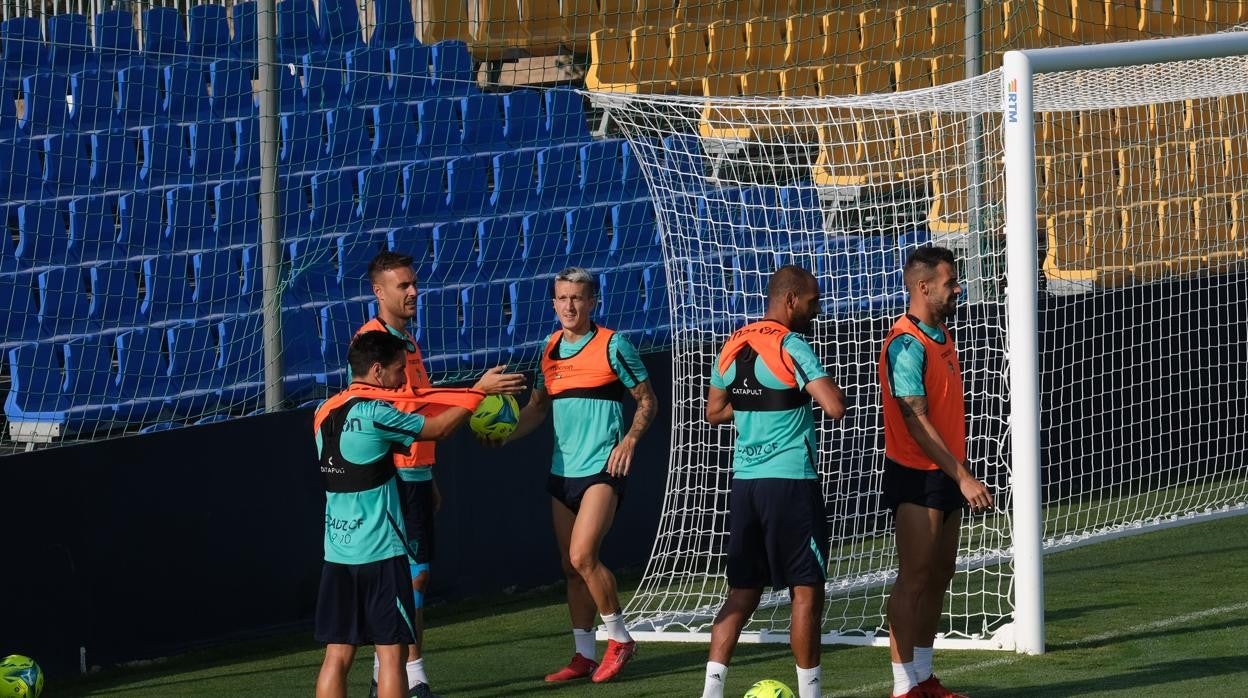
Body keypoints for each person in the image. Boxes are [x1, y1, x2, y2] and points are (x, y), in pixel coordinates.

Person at [358, 250, 525, 698]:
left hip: (414, 471)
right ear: (379, 292)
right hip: (390, 475)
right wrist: (475, 393)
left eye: (414, 284)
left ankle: (385, 671)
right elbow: (400, 410)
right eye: (403, 286)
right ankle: (411, 678)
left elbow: (420, 399)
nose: (413, 292)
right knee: (407, 577)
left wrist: (428, 471)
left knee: (416, 575)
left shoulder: (408, 343)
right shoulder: (373, 345)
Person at [313, 331, 499, 698]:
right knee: (392, 653)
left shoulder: (323, 412)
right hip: (380, 553)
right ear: (378, 371)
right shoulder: (376, 414)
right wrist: (479, 392)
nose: (403, 382)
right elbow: (439, 429)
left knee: (337, 654)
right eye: (399, 372)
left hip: (337, 554)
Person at [499, 267, 658, 684]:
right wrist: (503, 438)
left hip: (603, 469)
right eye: (562, 298)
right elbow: (536, 409)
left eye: (578, 298)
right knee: (571, 571)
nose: (569, 306)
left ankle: (620, 639)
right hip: (561, 473)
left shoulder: (614, 345)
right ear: (553, 303)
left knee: (582, 556)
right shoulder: (549, 349)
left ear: (592, 302)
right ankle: (584, 655)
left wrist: (629, 441)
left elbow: (647, 401)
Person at [699, 265, 847, 698]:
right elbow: (835, 406)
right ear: (790, 300)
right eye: (813, 301)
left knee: (742, 593)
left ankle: (711, 692)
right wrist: (804, 395)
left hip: (746, 485)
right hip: (791, 482)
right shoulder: (792, 344)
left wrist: (758, 409)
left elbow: (715, 412)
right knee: (806, 592)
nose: (815, 309)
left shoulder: (733, 344)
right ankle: (811, 694)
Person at [877, 246, 993, 698]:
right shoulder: (906, 343)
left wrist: (957, 474)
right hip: (917, 474)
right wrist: (963, 476)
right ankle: (903, 687)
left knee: (941, 572)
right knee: (914, 577)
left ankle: (924, 679)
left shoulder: (940, 334)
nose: (958, 287)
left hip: (944, 473)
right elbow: (914, 419)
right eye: (950, 282)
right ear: (923, 287)